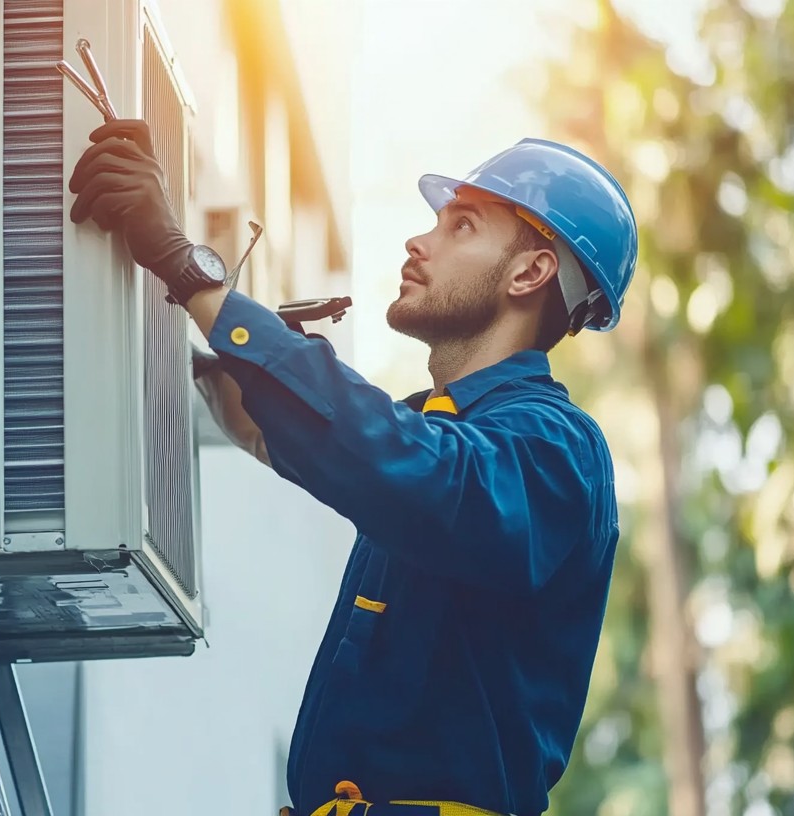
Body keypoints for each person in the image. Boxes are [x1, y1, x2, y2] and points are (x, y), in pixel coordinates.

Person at [68, 119, 637, 816]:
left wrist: (193, 272)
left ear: (530, 271)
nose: (418, 240)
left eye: (462, 226)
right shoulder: (433, 433)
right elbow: (296, 437)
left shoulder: (558, 448)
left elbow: (408, 467)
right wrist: (188, 337)